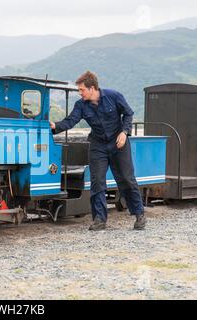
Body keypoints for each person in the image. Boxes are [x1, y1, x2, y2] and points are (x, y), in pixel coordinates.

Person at [50, 71, 146, 231]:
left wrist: (125, 132)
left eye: (82, 90)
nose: (80, 93)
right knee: (97, 181)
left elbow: (128, 113)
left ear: (92, 88)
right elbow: (71, 120)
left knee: (126, 179)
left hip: (118, 143)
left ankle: (139, 214)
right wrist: (55, 127)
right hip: (98, 145)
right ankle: (100, 219)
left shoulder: (114, 96)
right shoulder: (81, 105)